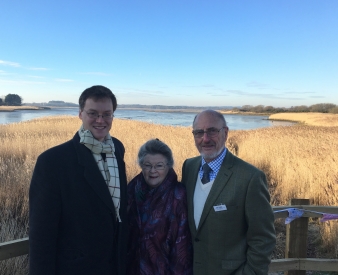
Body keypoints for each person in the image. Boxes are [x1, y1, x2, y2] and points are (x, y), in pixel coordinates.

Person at [29, 85, 128, 275]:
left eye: (107, 114)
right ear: (80, 114)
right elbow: (41, 235)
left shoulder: (117, 148)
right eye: (93, 113)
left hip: (115, 265)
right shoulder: (52, 161)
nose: (100, 120)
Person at [181, 110, 276, 275]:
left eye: (212, 131)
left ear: (225, 133)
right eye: (199, 133)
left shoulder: (250, 177)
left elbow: (263, 239)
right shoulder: (189, 167)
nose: (205, 139)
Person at [127, 139, 193, 275]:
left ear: (169, 166)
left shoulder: (178, 196)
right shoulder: (131, 189)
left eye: (159, 166)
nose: (153, 171)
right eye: (147, 165)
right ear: (141, 165)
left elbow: (182, 247)